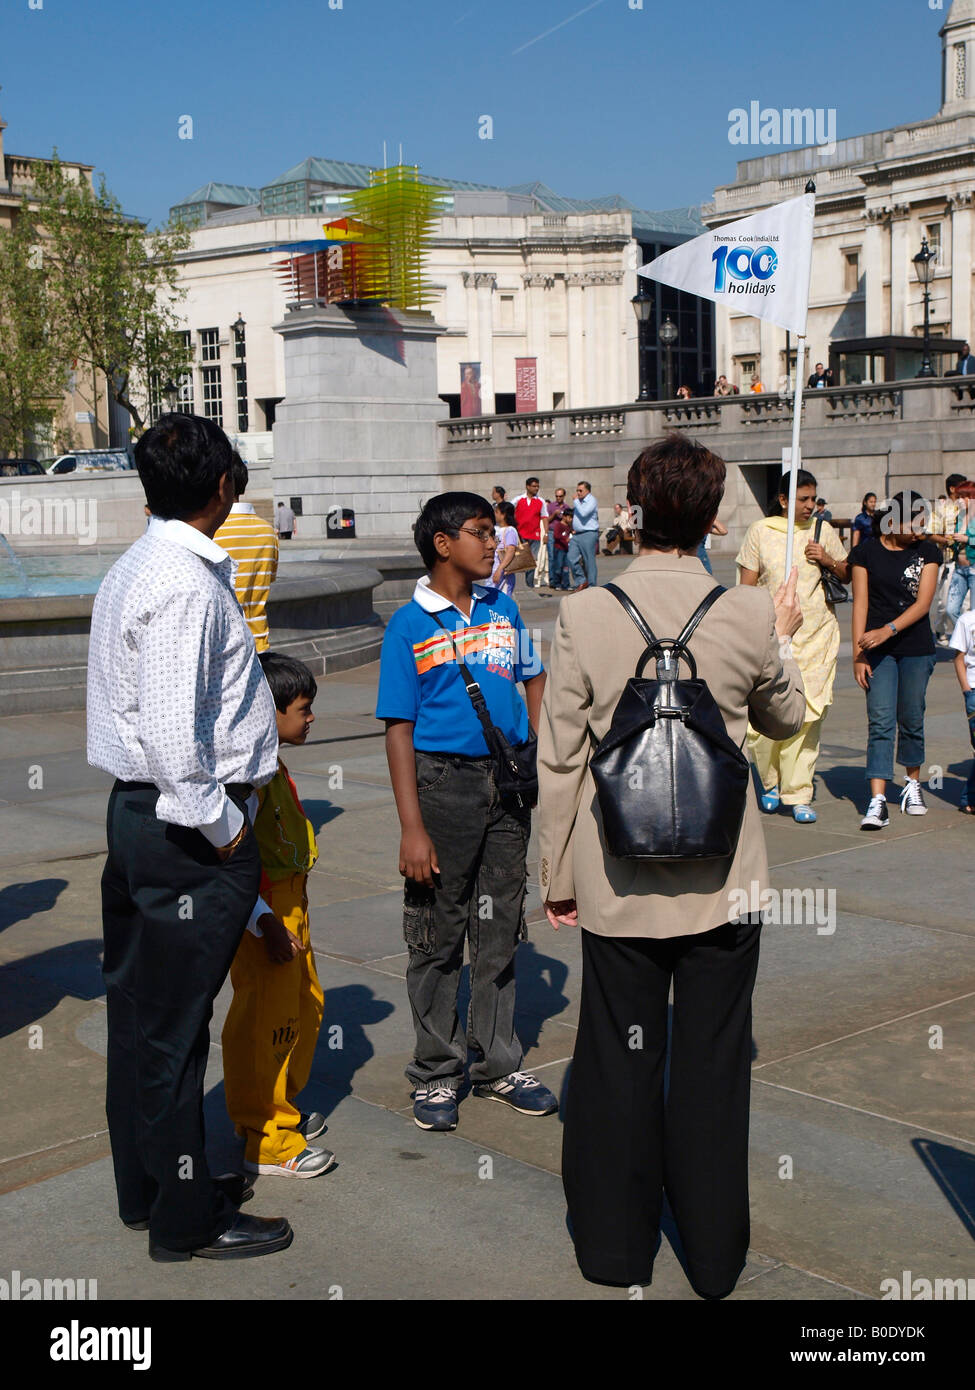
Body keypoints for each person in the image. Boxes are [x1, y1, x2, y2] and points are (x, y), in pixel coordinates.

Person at [537, 433, 805, 1296]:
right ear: (714, 520)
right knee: (712, 1070)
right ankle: (715, 1258)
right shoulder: (746, 611)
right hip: (721, 880)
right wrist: (786, 636)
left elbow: (560, 761)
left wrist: (557, 876)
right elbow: (785, 719)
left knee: (615, 1064)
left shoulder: (582, 611)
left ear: (632, 510)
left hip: (615, 879)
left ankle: (614, 1252)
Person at [88, 413, 292, 1262]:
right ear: (221, 489)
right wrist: (226, 830)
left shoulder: (137, 565)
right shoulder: (182, 580)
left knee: (143, 1022)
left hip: (143, 820)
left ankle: (151, 1189)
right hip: (184, 831)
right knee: (173, 1033)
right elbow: (177, 741)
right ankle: (183, 1219)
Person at [376, 492, 557, 1132]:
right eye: (479, 532)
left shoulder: (503, 607)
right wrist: (411, 827)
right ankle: (435, 1070)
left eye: (493, 531)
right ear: (442, 544)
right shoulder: (409, 624)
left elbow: (534, 675)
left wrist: (524, 740)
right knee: (436, 932)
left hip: (505, 786)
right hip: (441, 786)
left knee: (501, 925)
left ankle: (497, 1061)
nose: (492, 542)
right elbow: (398, 729)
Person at [222, 652, 332, 1177]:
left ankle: (278, 1109)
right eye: (304, 709)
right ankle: (267, 1138)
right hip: (267, 916)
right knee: (267, 1024)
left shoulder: (269, 763)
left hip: (291, 906)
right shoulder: (250, 779)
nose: (311, 719)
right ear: (269, 712)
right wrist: (263, 921)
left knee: (303, 1009)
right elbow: (234, 861)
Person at [738, 469, 850, 823]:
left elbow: (848, 572)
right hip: (772, 637)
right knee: (765, 715)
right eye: (802, 499)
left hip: (817, 636)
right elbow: (746, 585)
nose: (809, 505)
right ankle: (770, 781)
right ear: (783, 500)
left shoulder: (823, 531)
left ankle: (799, 790)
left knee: (809, 713)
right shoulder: (761, 531)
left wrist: (828, 559)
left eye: (813, 498)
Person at [850, 491, 941, 829]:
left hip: (916, 647)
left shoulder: (928, 551)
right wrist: (859, 654)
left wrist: (887, 630)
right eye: (915, 522)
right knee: (881, 720)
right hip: (878, 652)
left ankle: (913, 785)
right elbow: (860, 604)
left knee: (912, 718)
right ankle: (876, 800)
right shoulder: (865, 552)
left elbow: (923, 603)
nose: (921, 529)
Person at [214, 453, 279, 652]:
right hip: (259, 642)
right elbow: (268, 580)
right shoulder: (268, 533)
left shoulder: (212, 532)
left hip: (226, 647)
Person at [949, 602, 975, 814]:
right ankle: (970, 797)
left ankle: (970, 796)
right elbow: (959, 659)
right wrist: (967, 690)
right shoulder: (967, 620)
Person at [944, 474, 975, 627]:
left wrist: (968, 539)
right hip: (959, 569)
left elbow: (967, 539)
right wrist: (951, 540)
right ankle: (969, 636)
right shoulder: (959, 517)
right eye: (959, 497)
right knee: (951, 609)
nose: (960, 501)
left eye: (963, 497)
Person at [514, 476, 545, 589]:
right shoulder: (518, 500)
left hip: (535, 535)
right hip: (521, 535)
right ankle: (520, 585)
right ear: (527, 486)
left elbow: (544, 517)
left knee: (532, 560)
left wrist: (545, 534)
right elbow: (508, 511)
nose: (536, 488)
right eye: (534, 486)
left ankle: (529, 584)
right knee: (522, 560)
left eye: (537, 486)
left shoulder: (541, 501)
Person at [568, 480, 599, 591]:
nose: (578, 493)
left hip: (589, 533)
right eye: (577, 490)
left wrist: (576, 501)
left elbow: (584, 513)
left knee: (588, 560)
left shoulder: (592, 500)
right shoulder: (579, 501)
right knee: (571, 558)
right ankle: (581, 580)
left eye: (580, 490)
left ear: (588, 491)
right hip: (577, 535)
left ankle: (591, 585)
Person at [545, 487, 572, 590]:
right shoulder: (551, 506)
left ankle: (563, 582)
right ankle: (553, 581)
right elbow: (546, 520)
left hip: (564, 533)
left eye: (560, 496)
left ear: (564, 496)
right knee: (552, 557)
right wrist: (554, 514)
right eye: (556, 496)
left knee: (563, 559)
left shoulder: (566, 507)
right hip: (553, 532)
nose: (558, 498)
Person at [490, 499, 520, 597]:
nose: (494, 514)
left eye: (496, 512)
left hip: (503, 575)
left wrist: (500, 569)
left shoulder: (510, 530)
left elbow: (510, 551)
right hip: (493, 573)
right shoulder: (496, 529)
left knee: (503, 601)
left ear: (503, 515)